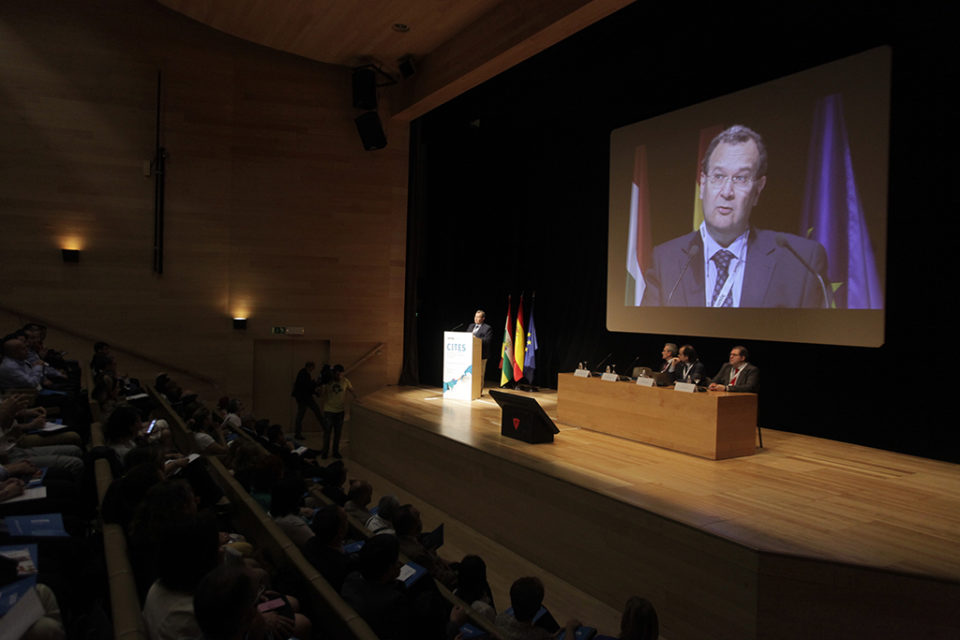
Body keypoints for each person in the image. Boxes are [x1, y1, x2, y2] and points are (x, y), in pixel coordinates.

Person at [640, 125, 830, 308]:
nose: (727, 192)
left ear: (758, 189)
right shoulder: (666, 260)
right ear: (703, 184)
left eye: (740, 178)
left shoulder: (801, 263)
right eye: (719, 176)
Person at [320, 364, 356, 459]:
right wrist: (322, 384)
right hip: (329, 411)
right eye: (337, 374)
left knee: (338, 433)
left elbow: (352, 390)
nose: (338, 376)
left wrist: (356, 398)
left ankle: (335, 452)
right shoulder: (328, 382)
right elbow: (321, 394)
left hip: (340, 412)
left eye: (340, 374)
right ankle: (325, 452)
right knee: (327, 433)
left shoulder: (345, 381)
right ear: (334, 373)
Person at [291, 361, 322, 440]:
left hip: (302, 397)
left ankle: (297, 433)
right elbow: (306, 387)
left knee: (300, 415)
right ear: (310, 367)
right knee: (316, 411)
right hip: (304, 397)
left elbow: (305, 386)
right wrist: (315, 385)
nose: (313, 369)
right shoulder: (305, 374)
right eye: (312, 368)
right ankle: (325, 428)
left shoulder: (303, 373)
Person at [466, 310, 494, 381]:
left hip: (481, 355)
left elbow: (487, 341)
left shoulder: (487, 328)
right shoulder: (471, 326)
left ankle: (478, 391)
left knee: (479, 375)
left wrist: (476, 339)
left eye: (478, 317)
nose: (475, 318)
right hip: (469, 354)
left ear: (483, 318)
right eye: (475, 316)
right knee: (469, 374)